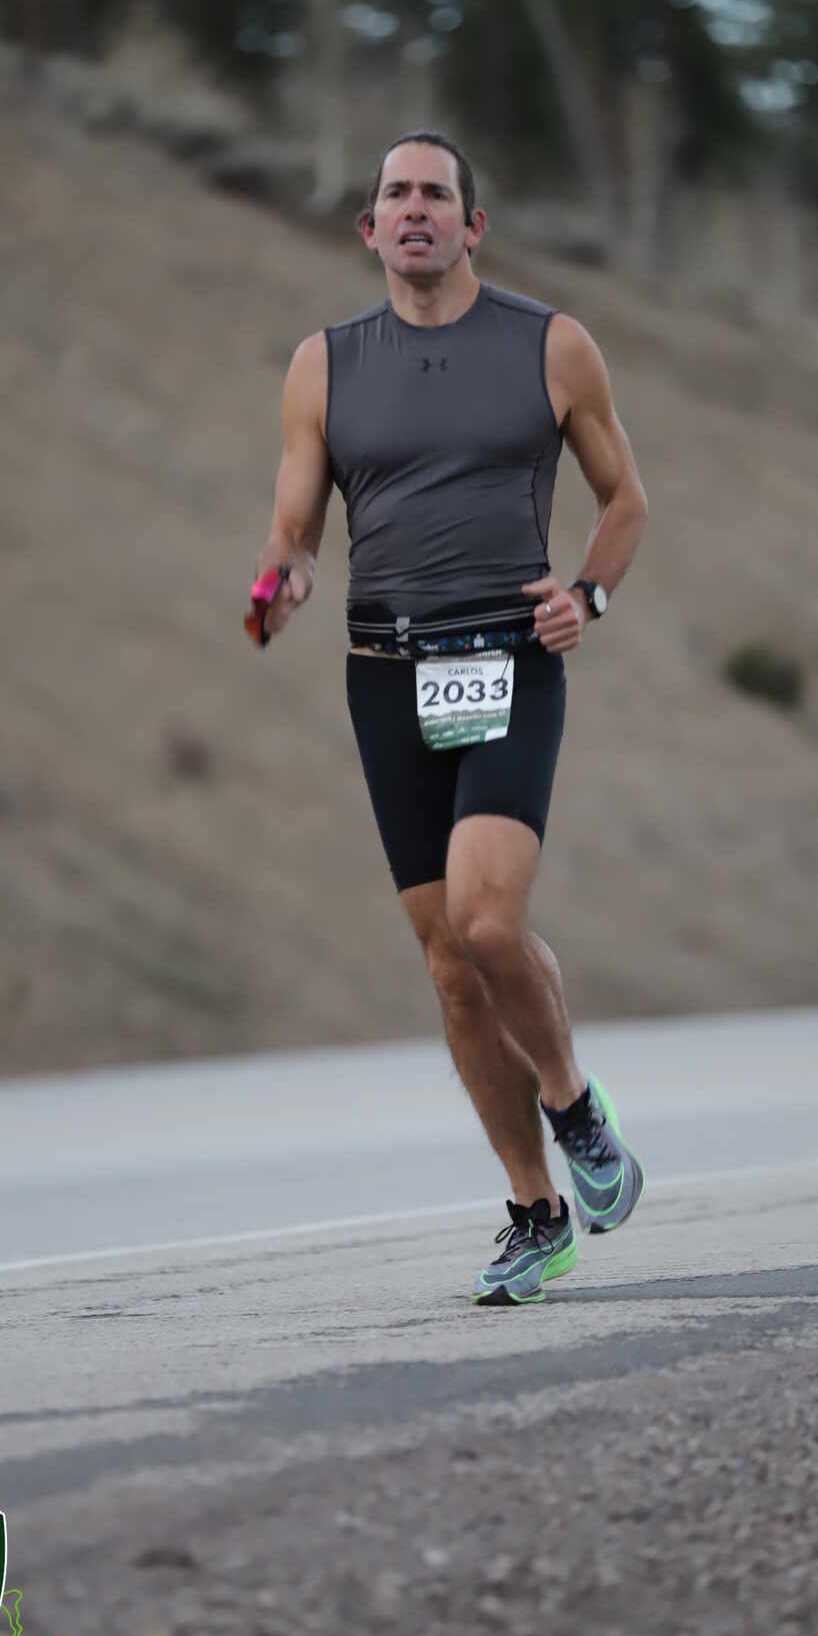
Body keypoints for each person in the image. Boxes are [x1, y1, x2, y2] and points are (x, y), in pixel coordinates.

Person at [247, 131, 650, 1306]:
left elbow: (623, 499)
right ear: (368, 228)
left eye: (435, 194)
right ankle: (534, 1211)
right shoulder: (323, 365)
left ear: (472, 225)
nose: (413, 209)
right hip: (385, 673)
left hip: (508, 661)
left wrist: (585, 596)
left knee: (484, 920)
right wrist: (278, 584)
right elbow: (293, 530)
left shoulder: (549, 344)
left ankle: (573, 1106)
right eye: (395, 195)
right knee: (448, 967)